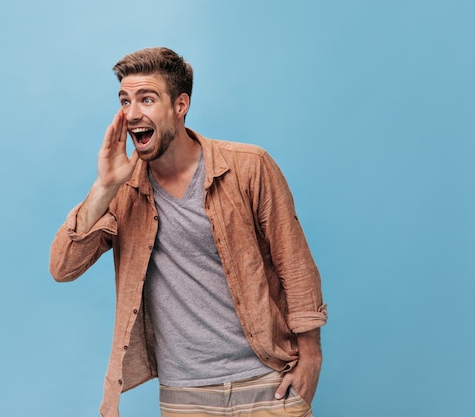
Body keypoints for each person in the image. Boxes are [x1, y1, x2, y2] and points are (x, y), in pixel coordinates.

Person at [49, 47, 327, 417]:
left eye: (146, 99)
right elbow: (62, 267)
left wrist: (310, 358)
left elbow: (295, 265)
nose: (132, 114)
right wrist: (104, 187)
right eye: (124, 100)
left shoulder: (249, 167)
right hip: (185, 395)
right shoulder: (124, 190)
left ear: (180, 105)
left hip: (267, 383)